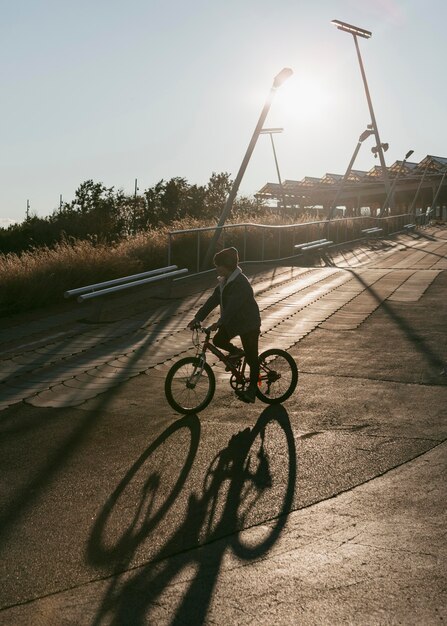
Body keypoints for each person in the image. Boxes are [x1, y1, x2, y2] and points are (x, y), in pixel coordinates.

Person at [187, 247, 261, 403]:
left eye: (218, 265)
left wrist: (219, 322)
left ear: (226, 266)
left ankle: (252, 389)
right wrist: (198, 318)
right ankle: (236, 352)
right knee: (218, 340)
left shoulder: (240, 282)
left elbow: (233, 307)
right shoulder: (224, 281)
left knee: (252, 357)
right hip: (234, 322)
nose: (216, 268)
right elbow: (212, 301)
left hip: (249, 323)